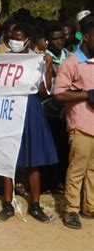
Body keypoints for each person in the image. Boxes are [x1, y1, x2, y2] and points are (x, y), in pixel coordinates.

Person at [0, 23, 58, 223]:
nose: (14, 41)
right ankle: (7, 204)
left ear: (27, 40)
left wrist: (47, 68)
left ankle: (35, 204)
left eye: (19, 37)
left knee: (34, 160)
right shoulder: (2, 59)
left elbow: (43, 92)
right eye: (11, 38)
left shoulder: (38, 60)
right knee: (8, 158)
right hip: (9, 109)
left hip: (30, 109)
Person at [54, 16, 94, 229]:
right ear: (86, 37)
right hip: (80, 124)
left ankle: (90, 206)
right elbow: (58, 94)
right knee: (78, 168)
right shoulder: (71, 62)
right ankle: (71, 209)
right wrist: (86, 95)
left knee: (93, 169)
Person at [42, 21, 70, 193]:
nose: (59, 42)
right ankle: (47, 184)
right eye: (55, 39)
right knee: (48, 146)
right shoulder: (42, 57)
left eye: (61, 38)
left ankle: (61, 181)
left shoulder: (70, 56)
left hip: (67, 107)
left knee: (64, 146)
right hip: (48, 108)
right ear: (48, 41)